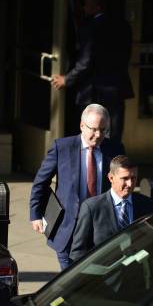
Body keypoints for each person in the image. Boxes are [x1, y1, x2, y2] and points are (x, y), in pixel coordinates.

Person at [29, 104, 125, 269]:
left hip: (100, 227)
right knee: (68, 281)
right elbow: (41, 182)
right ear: (82, 125)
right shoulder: (63, 147)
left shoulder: (115, 149)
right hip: (68, 227)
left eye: (103, 130)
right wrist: (35, 214)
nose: (98, 135)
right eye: (93, 129)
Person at [51, 0, 133, 144]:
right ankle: (113, 166)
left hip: (94, 90)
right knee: (113, 134)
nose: (83, 7)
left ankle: (93, 166)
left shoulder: (91, 27)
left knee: (92, 134)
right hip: (116, 88)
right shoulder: (123, 25)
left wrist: (67, 79)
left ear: (97, 7)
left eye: (86, 4)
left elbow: (85, 62)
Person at [69, 155, 153, 263]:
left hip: (137, 274)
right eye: (124, 178)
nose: (130, 184)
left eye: (133, 178)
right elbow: (77, 252)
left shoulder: (147, 204)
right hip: (103, 275)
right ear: (111, 178)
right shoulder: (92, 207)